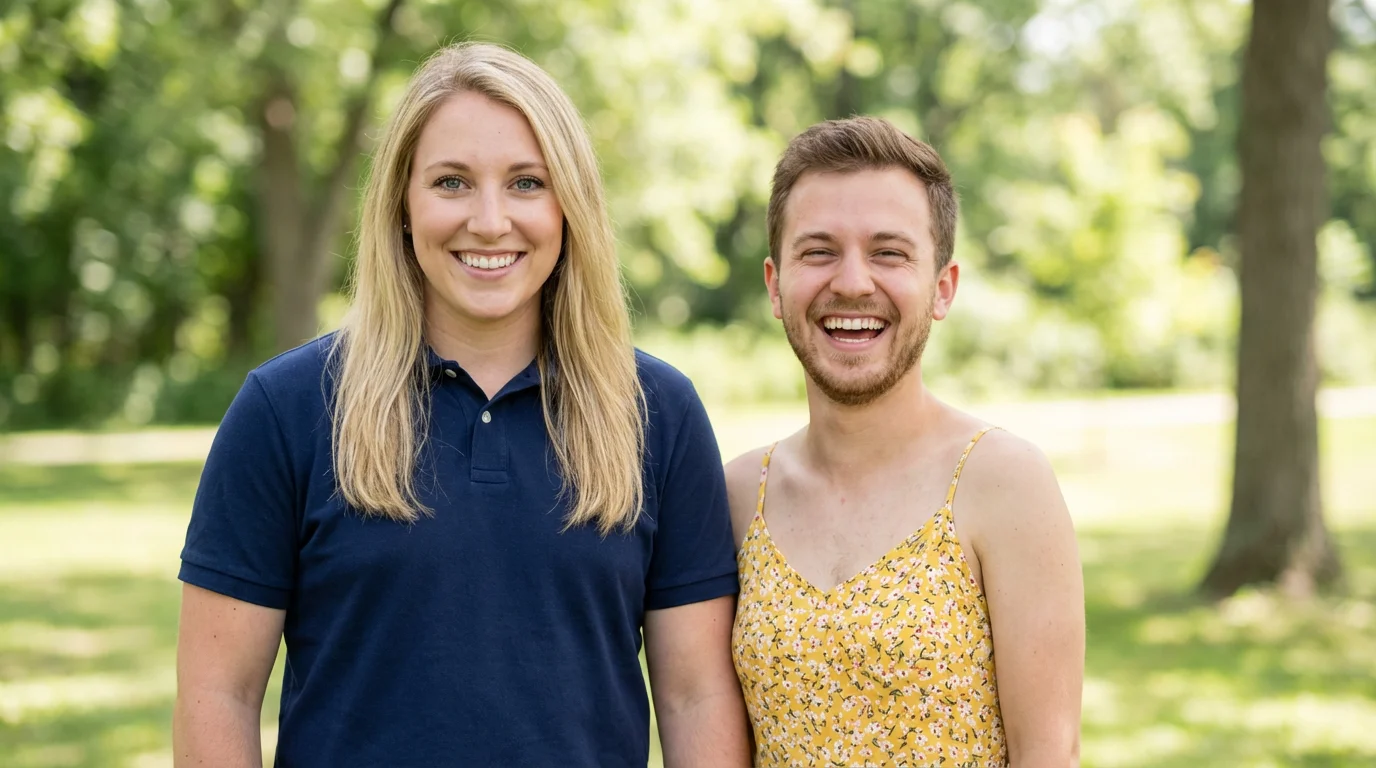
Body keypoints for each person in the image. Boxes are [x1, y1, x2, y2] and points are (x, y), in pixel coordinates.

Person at [173, 42, 749, 768]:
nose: (489, 220)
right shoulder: (285, 409)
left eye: (526, 183)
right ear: (402, 206)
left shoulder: (658, 414)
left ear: (570, 207)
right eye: (451, 182)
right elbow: (217, 694)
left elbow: (695, 697)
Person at [726, 117, 1085, 767]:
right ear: (775, 285)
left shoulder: (1004, 483)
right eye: (819, 252)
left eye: (888, 253)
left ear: (942, 288)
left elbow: (1049, 754)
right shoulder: (736, 495)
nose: (852, 282)